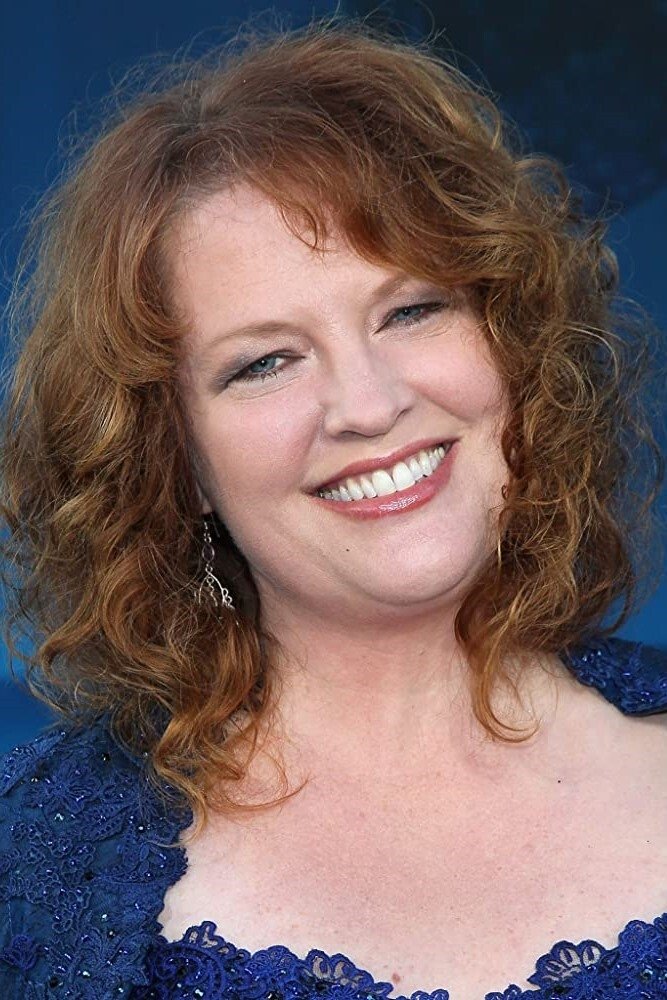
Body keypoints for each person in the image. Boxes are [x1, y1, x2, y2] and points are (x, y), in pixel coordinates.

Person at [0, 15, 666, 1000]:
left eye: (411, 310)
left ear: (511, 343)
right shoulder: (26, 865)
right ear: (172, 455)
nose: (368, 404)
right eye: (265, 361)